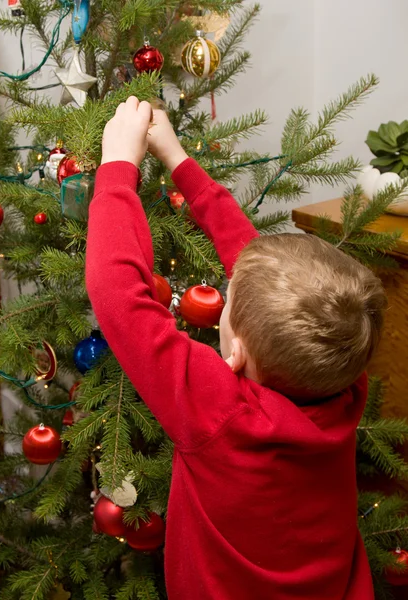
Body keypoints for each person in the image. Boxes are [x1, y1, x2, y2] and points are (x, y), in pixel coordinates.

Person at [86, 96, 386, 599]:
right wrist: (178, 161)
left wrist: (118, 166)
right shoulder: (343, 372)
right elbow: (261, 270)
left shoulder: (217, 409)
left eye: (227, 300)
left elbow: (117, 293)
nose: (226, 292)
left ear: (236, 354)